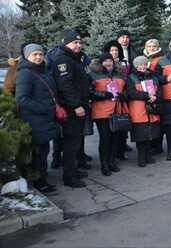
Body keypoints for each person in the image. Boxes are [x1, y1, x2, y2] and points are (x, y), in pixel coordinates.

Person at [16, 44, 60, 195]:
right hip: (35, 119)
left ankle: (41, 180)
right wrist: (43, 108)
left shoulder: (43, 70)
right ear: (27, 56)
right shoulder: (25, 73)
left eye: (40, 54)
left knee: (42, 151)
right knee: (40, 152)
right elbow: (21, 98)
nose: (38, 57)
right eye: (34, 54)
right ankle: (40, 183)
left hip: (45, 119)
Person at [51, 30, 90, 188]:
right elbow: (65, 86)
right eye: (75, 43)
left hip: (78, 106)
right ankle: (69, 176)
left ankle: (72, 170)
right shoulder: (62, 60)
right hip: (72, 108)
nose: (78, 45)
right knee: (71, 143)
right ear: (65, 43)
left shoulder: (73, 59)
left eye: (80, 43)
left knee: (75, 141)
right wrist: (76, 105)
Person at [89, 52, 127, 175]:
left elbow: (126, 90)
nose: (108, 63)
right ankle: (104, 164)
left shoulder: (119, 74)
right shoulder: (94, 75)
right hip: (101, 111)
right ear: (101, 63)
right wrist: (103, 94)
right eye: (105, 61)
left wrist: (123, 95)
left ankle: (112, 162)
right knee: (105, 138)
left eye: (110, 61)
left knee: (115, 138)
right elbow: (88, 92)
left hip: (117, 110)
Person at [126, 56, 162, 167]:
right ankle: (141, 158)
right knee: (140, 136)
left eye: (144, 64)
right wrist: (146, 95)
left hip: (151, 111)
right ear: (136, 66)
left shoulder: (153, 77)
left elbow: (160, 91)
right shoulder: (131, 77)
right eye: (140, 64)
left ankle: (148, 156)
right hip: (138, 111)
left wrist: (156, 97)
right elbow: (131, 92)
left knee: (149, 134)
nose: (142, 66)